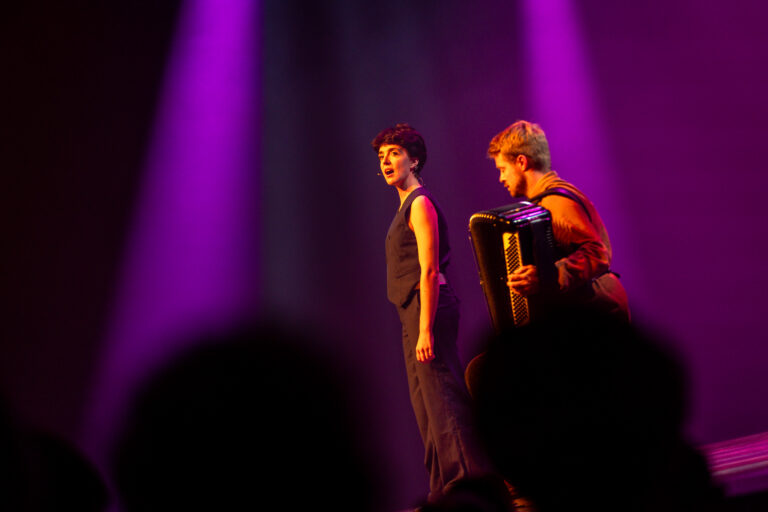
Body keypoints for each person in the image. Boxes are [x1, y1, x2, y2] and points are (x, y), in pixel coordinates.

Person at [373, 123, 493, 503]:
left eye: (394, 153)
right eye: (382, 157)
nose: (387, 161)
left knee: (443, 398)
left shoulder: (420, 202)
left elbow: (428, 268)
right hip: (412, 313)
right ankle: (443, 490)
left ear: (414, 159)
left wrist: (425, 328)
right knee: (425, 407)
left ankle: (468, 489)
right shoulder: (404, 206)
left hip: (429, 308)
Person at [487, 120, 629, 321]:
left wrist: (546, 276)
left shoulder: (556, 202)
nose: (501, 178)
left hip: (599, 314)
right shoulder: (546, 201)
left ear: (521, 162)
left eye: (502, 169)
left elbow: (598, 254)